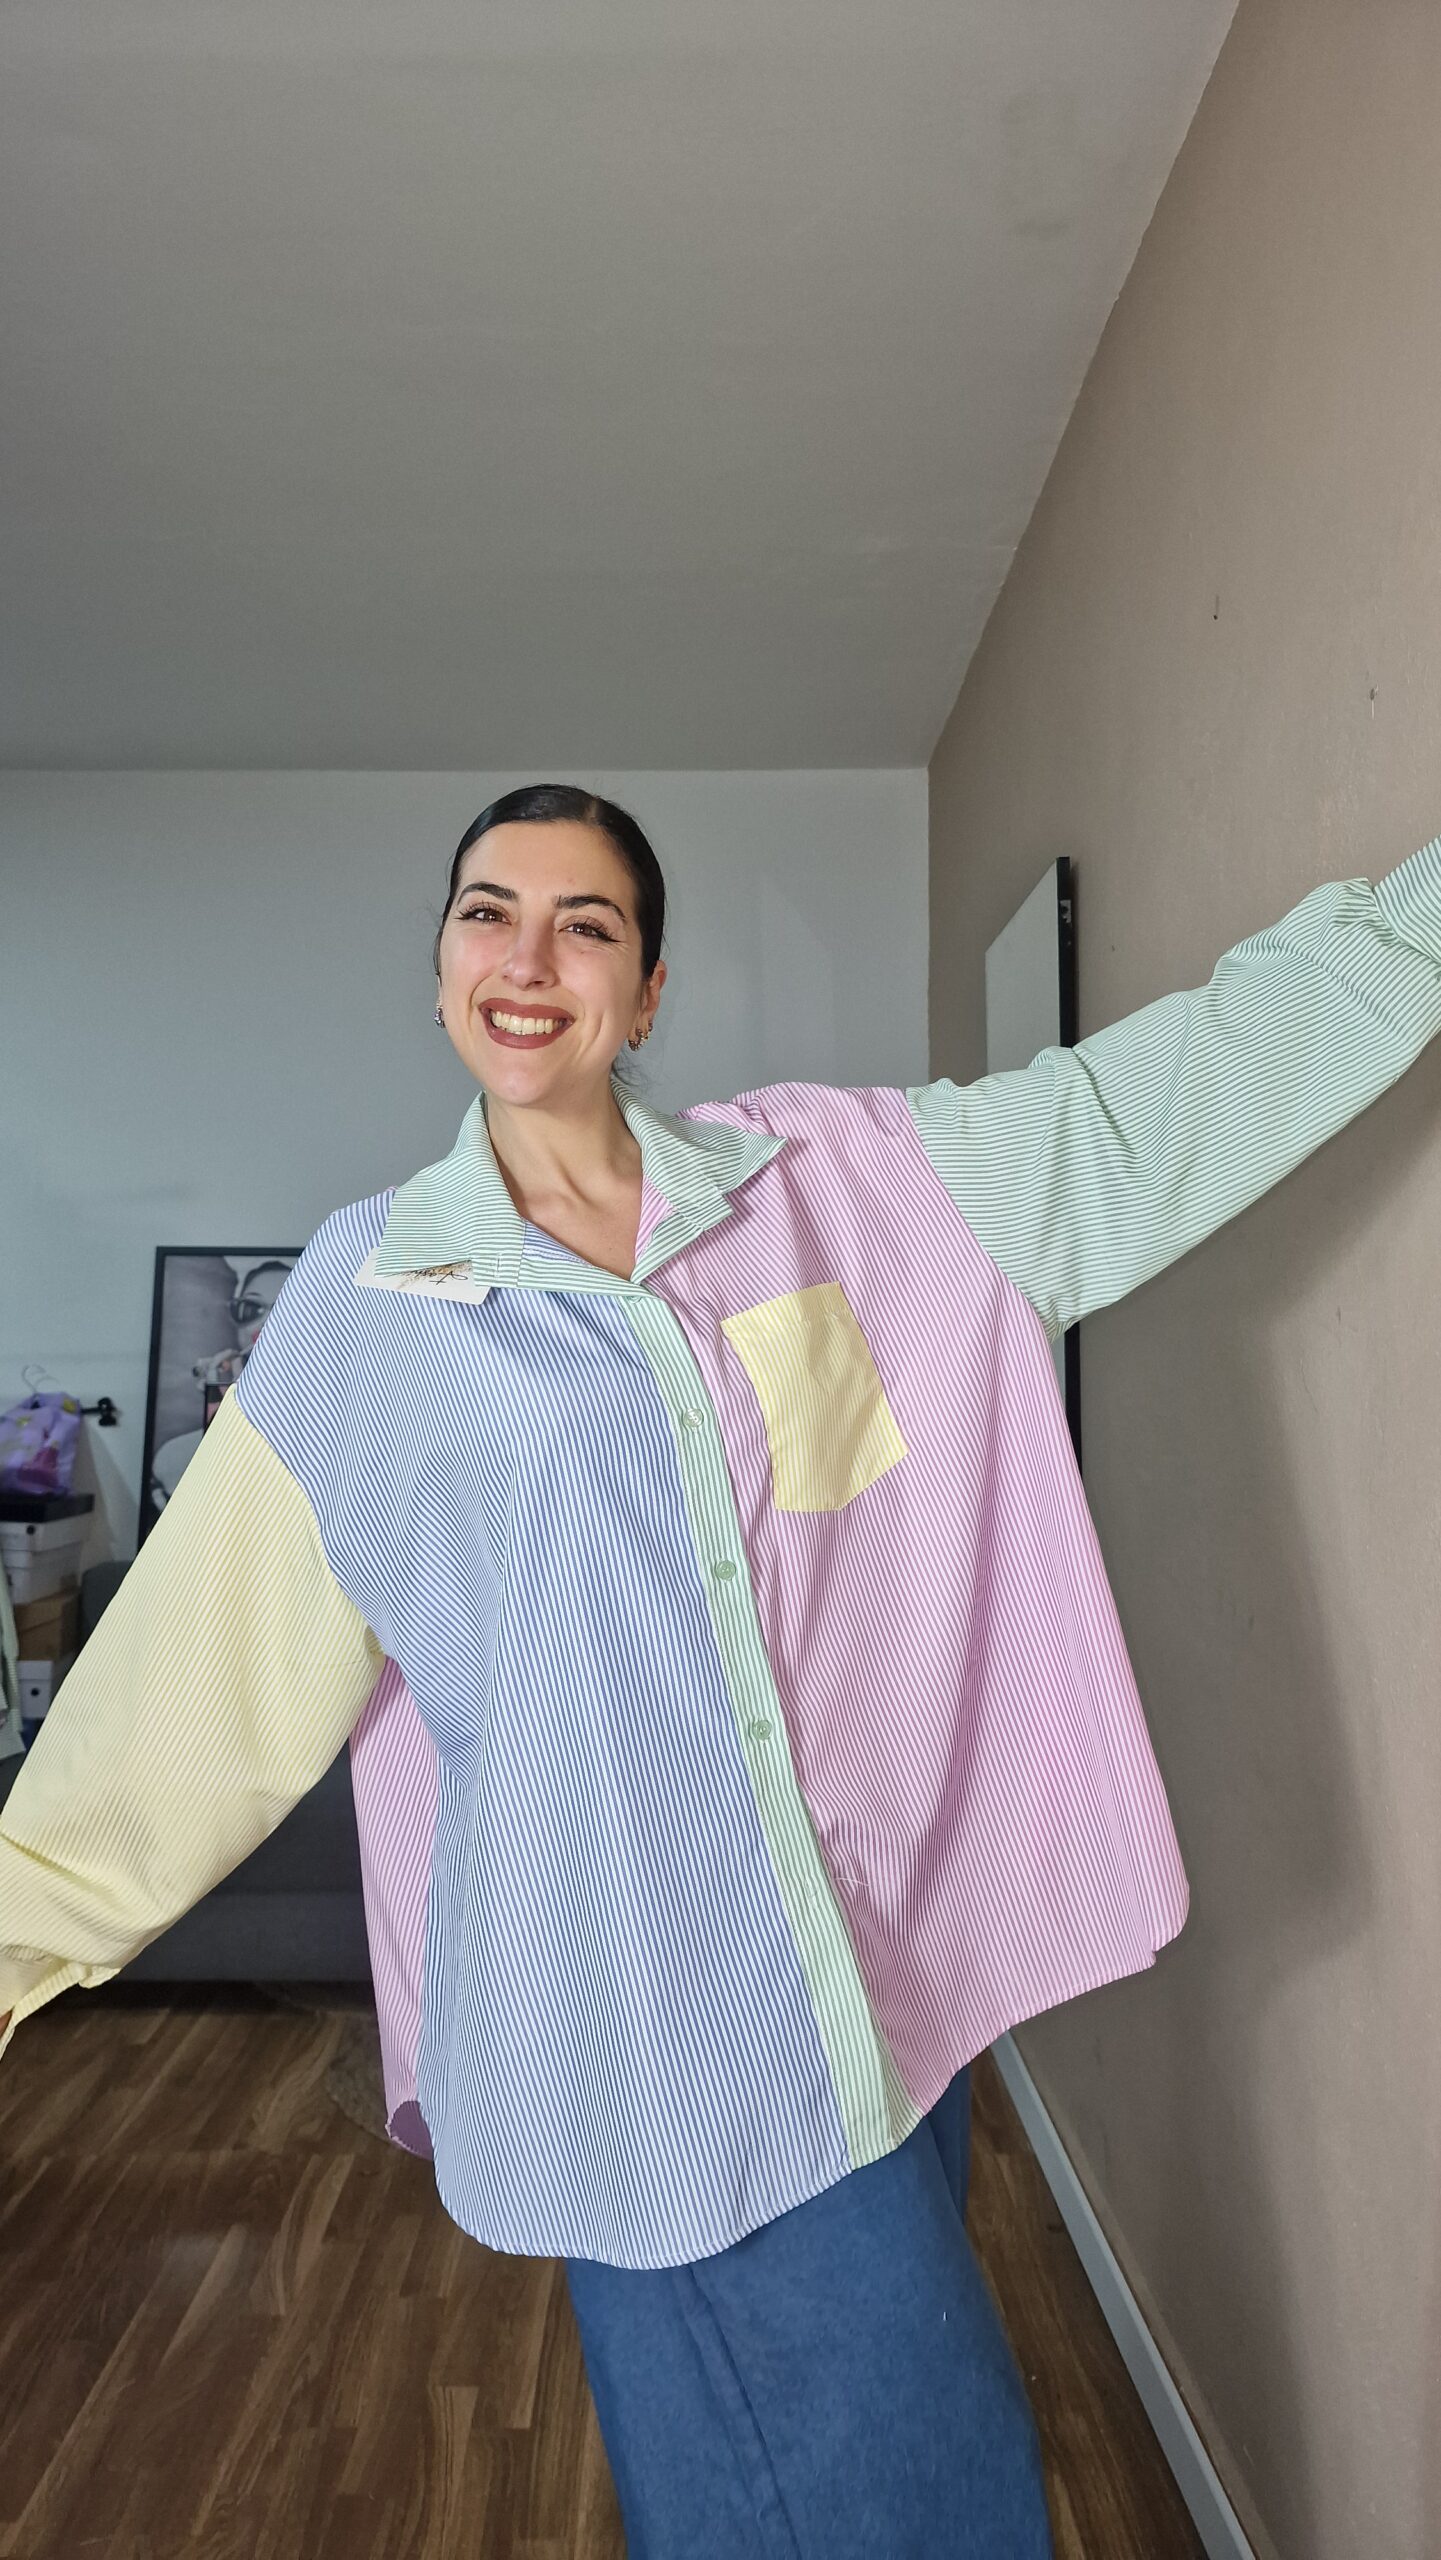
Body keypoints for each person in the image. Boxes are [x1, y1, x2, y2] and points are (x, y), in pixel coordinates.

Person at [2, 781, 1439, 2558]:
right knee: (914, 2504)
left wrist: (1415, 919)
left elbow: (1162, 1098)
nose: (528, 958)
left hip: (873, 1975)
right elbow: (189, 1688)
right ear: (439, 971)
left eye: (585, 924)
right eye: (486, 913)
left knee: (835, 2493)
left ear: (648, 991)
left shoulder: (845, 1184)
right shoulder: (364, 1315)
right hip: (653, 2019)